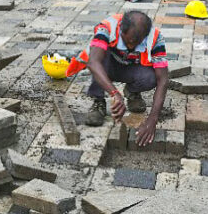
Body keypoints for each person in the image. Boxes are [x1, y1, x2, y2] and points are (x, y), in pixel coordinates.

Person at [64, 11, 170, 147]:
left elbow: (163, 80)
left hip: (132, 68)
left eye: (136, 42)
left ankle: (132, 92)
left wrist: (152, 120)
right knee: (99, 58)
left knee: (151, 77)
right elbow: (93, 63)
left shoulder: (155, 38)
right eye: (129, 41)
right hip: (107, 68)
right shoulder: (107, 27)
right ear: (121, 30)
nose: (131, 46)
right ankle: (98, 102)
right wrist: (115, 93)